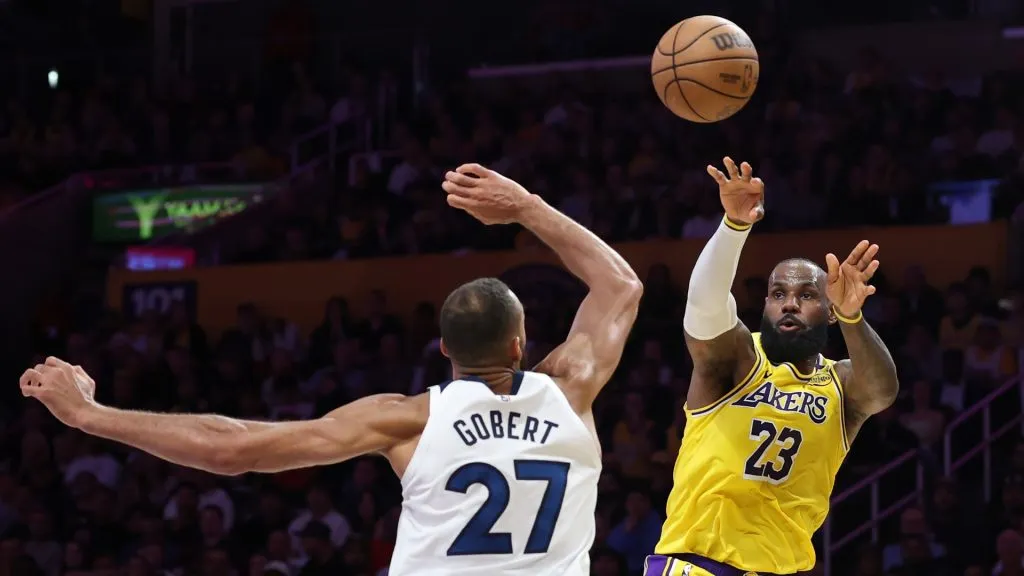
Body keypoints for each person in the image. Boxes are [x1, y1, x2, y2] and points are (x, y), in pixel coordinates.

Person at [20, 163, 643, 576]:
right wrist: (526, 207)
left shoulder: (405, 421)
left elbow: (235, 449)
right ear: (520, 345)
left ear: (444, 350)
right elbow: (619, 286)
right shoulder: (571, 390)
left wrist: (91, 415)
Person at [644, 157, 899, 575]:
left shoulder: (841, 383)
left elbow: (883, 391)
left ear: (830, 311)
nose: (790, 303)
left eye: (807, 295)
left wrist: (854, 317)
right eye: (778, 293)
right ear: (764, 304)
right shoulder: (738, 359)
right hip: (699, 564)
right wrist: (733, 227)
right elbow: (704, 304)